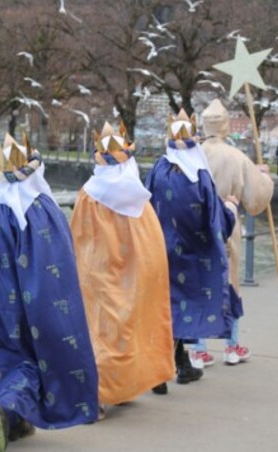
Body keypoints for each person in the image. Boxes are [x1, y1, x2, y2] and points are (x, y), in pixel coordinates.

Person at [0, 133, 98, 452]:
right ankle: (8, 408)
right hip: (37, 302)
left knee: (1, 351)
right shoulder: (42, 210)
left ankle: (12, 416)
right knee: (36, 354)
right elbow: (59, 263)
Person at [70, 121, 175, 415]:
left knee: (101, 332)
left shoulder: (88, 195)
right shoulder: (139, 196)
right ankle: (123, 385)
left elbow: (79, 237)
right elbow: (151, 242)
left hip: (99, 274)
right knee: (131, 328)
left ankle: (102, 393)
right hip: (137, 275)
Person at [145, 109, 238, 386]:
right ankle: (166, 369)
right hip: (193, 257)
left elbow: (145, 207)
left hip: (161, 252)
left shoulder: (158, 170)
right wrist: (231, 207)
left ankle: (177, 365)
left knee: (165, 308)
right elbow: (217, 220)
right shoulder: (199, 176)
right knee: (186, 309)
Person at [196, 99, 274, 366]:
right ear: (227, 126)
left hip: (195, 228)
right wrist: (264, 177)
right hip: (226, 225)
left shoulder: (192, 154)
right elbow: (256, 199)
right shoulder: (236, 156)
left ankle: (198, 347)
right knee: (230, 284)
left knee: (199, 286)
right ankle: (232, 345)